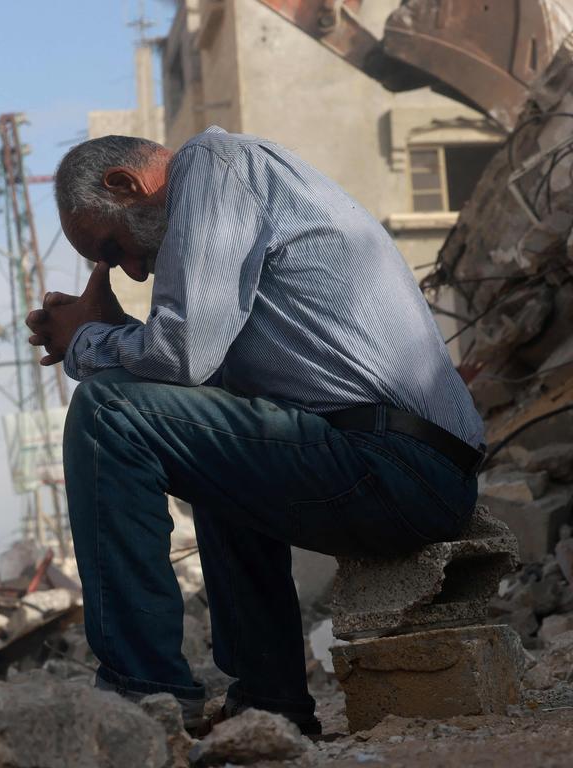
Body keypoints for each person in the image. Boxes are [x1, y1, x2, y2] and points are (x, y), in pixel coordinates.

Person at [26, 128, 485, 734]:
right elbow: (192, 385)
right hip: (404, 467)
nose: (132, 271)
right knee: (211, 435)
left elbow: (183, 353)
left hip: (397, 463)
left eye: (115, 249)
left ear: (125, 184)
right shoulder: (243, 197)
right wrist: (113, 329)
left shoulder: (212, 163)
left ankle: (141, 695)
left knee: (108, 411)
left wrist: (85, 342)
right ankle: (269, 708)